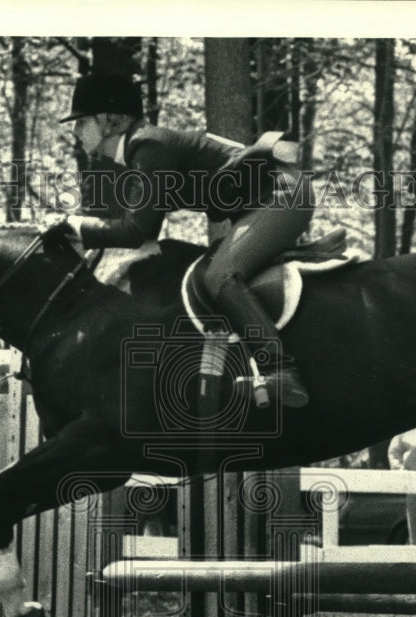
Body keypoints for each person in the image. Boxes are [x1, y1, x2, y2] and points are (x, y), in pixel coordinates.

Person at [55, 72, 314, 407]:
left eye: (81, 122)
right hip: (268, 198)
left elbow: (135, 231)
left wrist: (74, 225)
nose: (75, 131)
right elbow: (145, 234)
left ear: (108, 120)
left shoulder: (148, 146)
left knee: (219, 275)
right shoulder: (143, 150)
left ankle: (281, 369)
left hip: (282, 194)